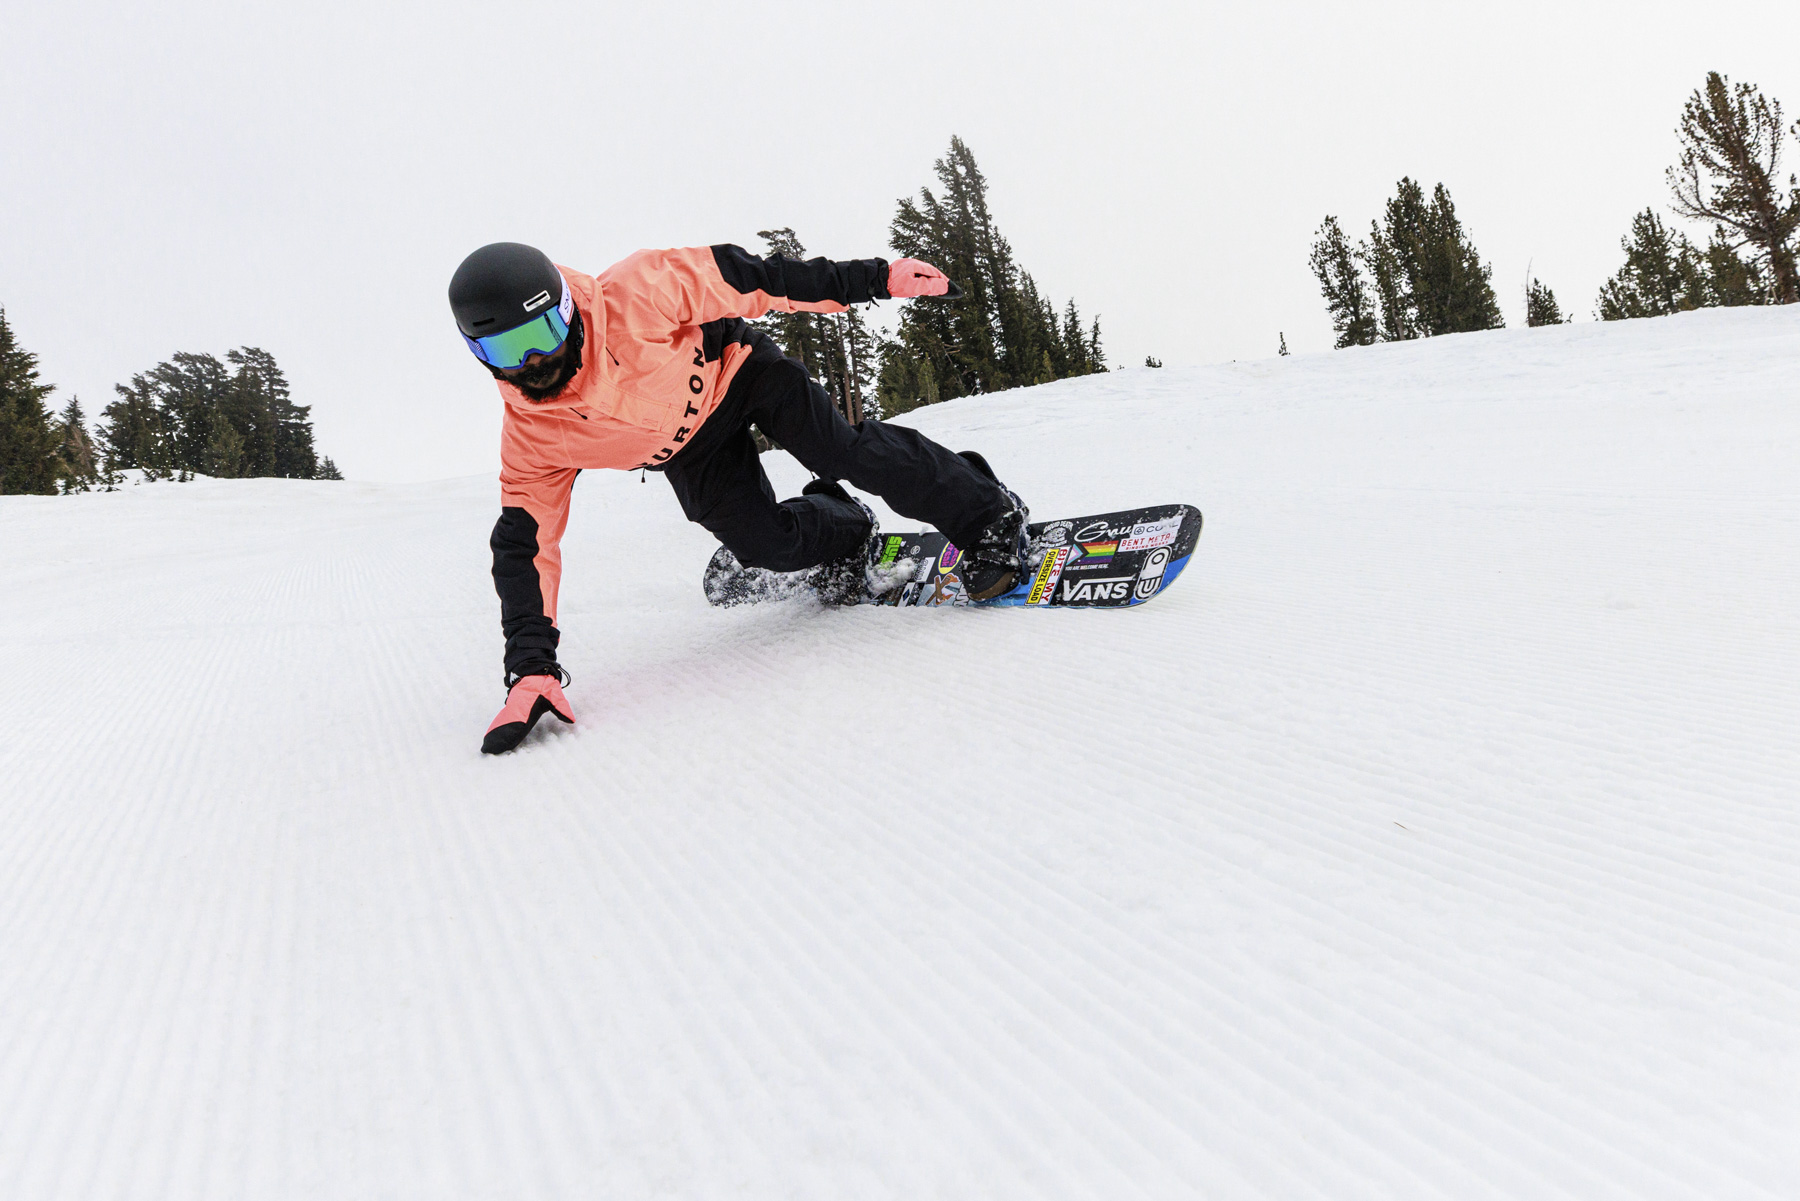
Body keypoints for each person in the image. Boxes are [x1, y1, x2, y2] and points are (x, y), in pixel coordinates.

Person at [449, 241, 1030, 754]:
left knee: (841, 450)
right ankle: (847, 526)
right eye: (504, 352)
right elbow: (526, 547)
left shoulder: (636, 291)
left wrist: (874, 278)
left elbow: (756, 277)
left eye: (540, 335)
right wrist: (530, 668)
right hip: (689, 451)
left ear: (568, 311)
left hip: (739, 372)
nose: (532, 363)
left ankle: (987, 513)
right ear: (478, 355)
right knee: (765, 545)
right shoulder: (533, 435)